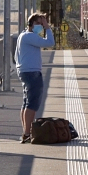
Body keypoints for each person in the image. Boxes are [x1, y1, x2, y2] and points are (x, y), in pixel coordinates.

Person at [16, 12, 55, 143]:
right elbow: (50, 42)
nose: (41, 26)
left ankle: (26, 132)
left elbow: (16, 56)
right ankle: (27, 133)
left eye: (42, 24)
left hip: (25, 71)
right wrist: (48, 28)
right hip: (31, 72)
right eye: (39, 23)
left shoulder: (23, 35)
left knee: (26, 102)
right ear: (31, 24)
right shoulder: (29, 36)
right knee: (32, 104)